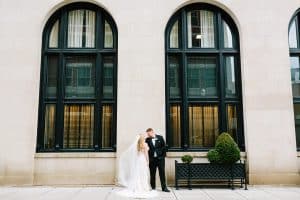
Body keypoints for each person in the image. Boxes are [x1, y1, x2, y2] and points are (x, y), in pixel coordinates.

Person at [116, 134, 158, 198]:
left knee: (137, 172)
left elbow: (137, 154)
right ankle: (144, 187)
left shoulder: (137, 145)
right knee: (143, 173)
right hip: (143, 159)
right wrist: (147, 161)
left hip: (138, 160)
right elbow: (146, 154)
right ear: (143, 139)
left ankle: (137, 187)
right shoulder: (145, 144)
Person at [145, 128, 170, 192]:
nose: (148, 135)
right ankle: (153, 187)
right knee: (152, 174)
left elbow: (164, 147)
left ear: (152, 132)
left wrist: (163, 156)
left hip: (160, 159)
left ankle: (164, 188)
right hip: (152, 160)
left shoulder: (160, 137)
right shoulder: (147, 140)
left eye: (148, 133)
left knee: (162, 173)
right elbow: (145, 149)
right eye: (147, 134)